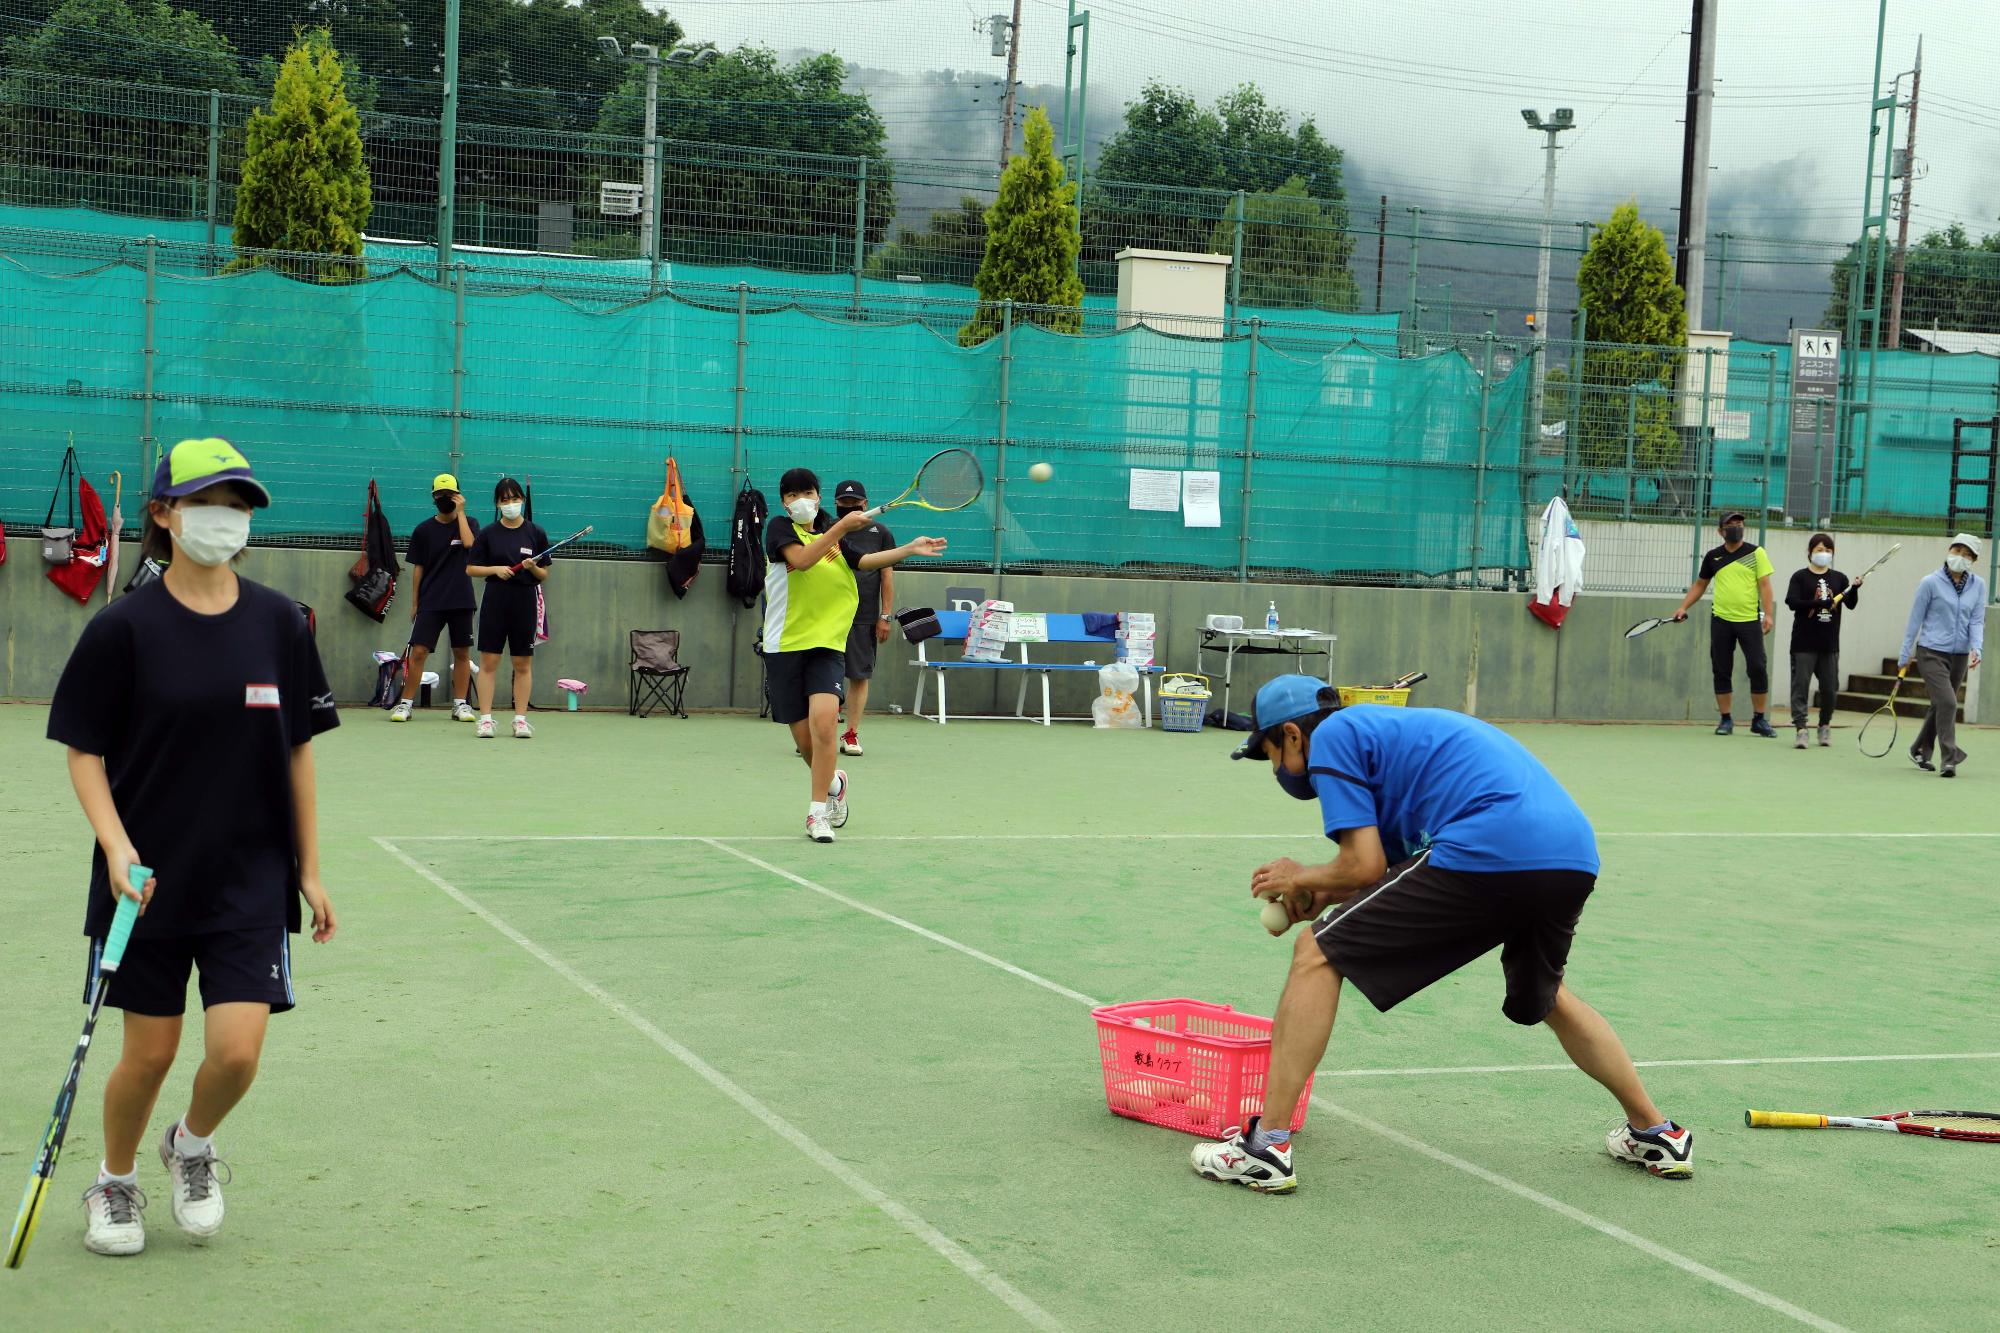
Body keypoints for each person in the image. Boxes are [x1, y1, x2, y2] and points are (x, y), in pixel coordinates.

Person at [1189, 676, 1691, 1194]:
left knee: (1316, 952)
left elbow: (1362, 866)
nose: (1276, 769)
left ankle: (1265, 1146)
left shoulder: (1334, 737)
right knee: (1547, 996)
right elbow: (1382, 875)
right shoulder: (1386, 742)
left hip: (1489, 845)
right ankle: (1657, 1132)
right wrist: (1320, 893)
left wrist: (1299, 875)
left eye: (1270, 753)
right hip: (1568, 856)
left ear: (1293, 735)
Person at [45, 437, 338, 1256]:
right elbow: (84, 748)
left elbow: (298, 750)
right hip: (145, 880)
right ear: (165, 514)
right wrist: (113, 846)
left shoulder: (282, 622)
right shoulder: (123, 629)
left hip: (249, 876)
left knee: (238, 1053)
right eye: (211, 502)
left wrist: (309, 868)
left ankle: (191, 1145)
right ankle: (114, 1179)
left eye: (240, 505)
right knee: (151, 1050)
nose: (227, 519)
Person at [765, 467, 944, 843]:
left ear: (818, 495)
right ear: (784, 501)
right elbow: (801, 561)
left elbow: (863, 562)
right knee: (805, 742)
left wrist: (909, 549)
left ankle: (818, 815)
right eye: (793, 494)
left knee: (826, 722)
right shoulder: (780, 529)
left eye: (809, 492)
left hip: (828, 643)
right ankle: (833, 784)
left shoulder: (834, 537)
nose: (802, 500)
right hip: (785, 644)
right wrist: (841, 528)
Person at [1670, 511, 1777, 736]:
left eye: (1739, 523)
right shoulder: (1713, 557)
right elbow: (1700, 585)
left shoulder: (1756, 553)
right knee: (1721, 668)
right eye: (1731, 524)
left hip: (1749, 621)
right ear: (1720, 531)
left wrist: (1768, 614)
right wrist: (1683, 607)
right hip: (1721, 620)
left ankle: (1759, 719)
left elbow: (1765, 585)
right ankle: (1725, 720)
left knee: (1757, 667)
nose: (1736, 527)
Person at [389, 473, 477, 724]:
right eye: (440, 495)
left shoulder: (469, 523)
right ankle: (405, 704)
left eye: (449, 494)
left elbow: (470, 545)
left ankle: (460, 705)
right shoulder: (424, 530)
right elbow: (418, 568)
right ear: (433, 498)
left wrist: (460, 513)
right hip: (431, 601)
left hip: (461, 600)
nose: (444, 499)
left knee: (462, 653)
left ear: (458, 495)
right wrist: (415, 602)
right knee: (418, 652)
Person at [466, 477, 549, 739]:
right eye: (505, 500)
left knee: (522, 662)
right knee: (489, 661)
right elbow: (471, 568)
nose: (511, 504)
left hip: (525, 600)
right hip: (495, 599)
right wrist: (495, 570)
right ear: (497, 503)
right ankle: (486, 720)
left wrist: (532, 566)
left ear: (522, 501)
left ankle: (520, 720)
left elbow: (544, 574)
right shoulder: (488, 533)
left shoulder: (536, 532)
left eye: (515, 499)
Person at [1899, 533, 1987, 778]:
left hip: (1959, 654)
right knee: (1948, 702)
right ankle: (1950, 758)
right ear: (1949, 551)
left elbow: (1977, 620)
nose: (1961, 557)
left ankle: (1918, 749)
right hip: (1930, 652)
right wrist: (1905, 653)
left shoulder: (1978, 585)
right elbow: (1914, 620)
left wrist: (1976, 647)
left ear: (1974, 559)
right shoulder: (1930, 582)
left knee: (1940, 705)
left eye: (1968, 554)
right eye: (1958, 551)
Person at [832, 479, 897, 757]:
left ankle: (851, 733)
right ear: (835, 504)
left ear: (865, 504)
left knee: (858, 676)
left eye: (854, 502)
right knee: (822, 675)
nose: (849, 507)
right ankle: (817, 733)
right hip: (826, 616)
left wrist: (885, 615)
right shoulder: (827, 530)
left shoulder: (880, 533)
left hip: (864, 617)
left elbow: (886, 575)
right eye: (843, 503)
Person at [1782, 533, 1861, 749]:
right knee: (1800, 686)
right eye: (1818, 549)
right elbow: (1792, 602)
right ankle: (1801, 728)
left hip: (1829, 644)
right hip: (1803, 643)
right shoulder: (1800, 577)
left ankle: (1824, 725)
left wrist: (1854, 588)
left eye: (1827, 550)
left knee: (1829, 688)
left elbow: (1851, 603)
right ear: (1809, 553)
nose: (1823, 554)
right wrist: (1818, 604)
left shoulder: (1839, 578)